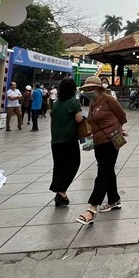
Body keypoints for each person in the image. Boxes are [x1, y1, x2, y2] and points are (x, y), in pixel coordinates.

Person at [76, 76, 128, 226]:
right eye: (86, 89)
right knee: (107, 170)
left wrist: (118, 128)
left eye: (91, 88)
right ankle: (114, 199)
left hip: (111, 140)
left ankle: (92, 209)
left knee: (103, 172)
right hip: (99, 141)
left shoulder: (108, 99)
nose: (88, 91)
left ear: (99, 88)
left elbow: (122, 116)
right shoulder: (93, 103)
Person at [50, 78, 84, 207]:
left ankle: (60, 192)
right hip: (69, 139)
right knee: (73, 164)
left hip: (55, 140)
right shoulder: (74, 102)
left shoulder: (56, 103)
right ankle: (61, 191)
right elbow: (79, 119)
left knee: (59, 166)